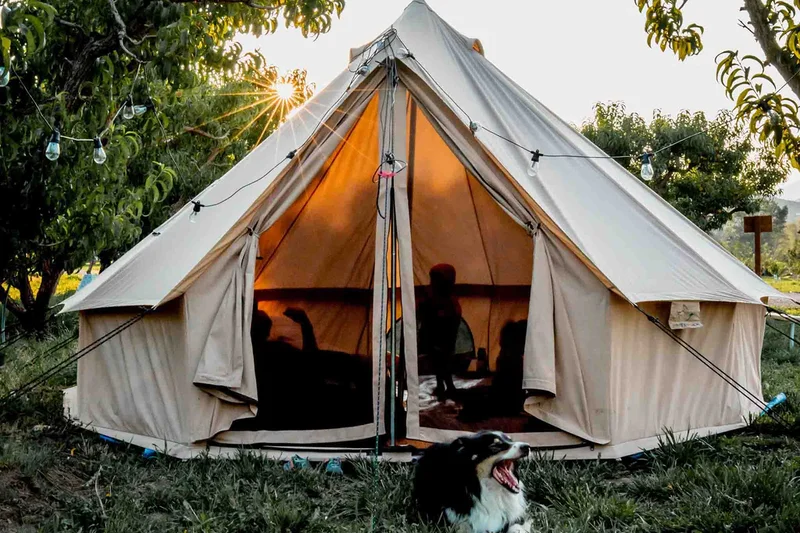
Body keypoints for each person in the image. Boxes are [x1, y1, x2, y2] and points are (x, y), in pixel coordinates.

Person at [417, 263, 462, 400]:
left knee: (443, 359)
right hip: (434, 335)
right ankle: (442, 385)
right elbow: (423, 311)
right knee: (438, 360)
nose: (433, 283)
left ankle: (447, 385)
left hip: (444, 335)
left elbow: (450, 318)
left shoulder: (449, 301)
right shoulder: (433, 296)